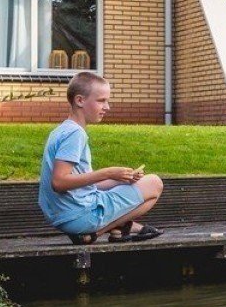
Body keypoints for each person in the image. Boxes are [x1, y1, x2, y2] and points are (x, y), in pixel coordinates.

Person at [40, 72, 164, 245]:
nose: (107, 107)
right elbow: (59, 183)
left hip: (66, 216)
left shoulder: (62, 130)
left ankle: (119, 228)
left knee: (134, 184)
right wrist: (107, 172)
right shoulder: (75, 134)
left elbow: (82, 184)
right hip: (80, 216)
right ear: (80, 101)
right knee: (155, 183)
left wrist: (120, 179)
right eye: (101, 101)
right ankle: (98, 232)